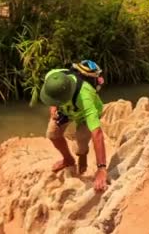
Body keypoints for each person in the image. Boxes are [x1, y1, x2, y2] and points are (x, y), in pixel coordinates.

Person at [39, 60, 107, 192]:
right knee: (52, 134)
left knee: (80, 145)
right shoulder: (53, 76)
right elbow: (51, 93)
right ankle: (68, 159)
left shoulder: (85, 98)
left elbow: (97, 134)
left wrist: (101, 168)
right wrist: (53, 106)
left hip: (83, 114)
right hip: (66, 110)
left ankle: (82, 155)